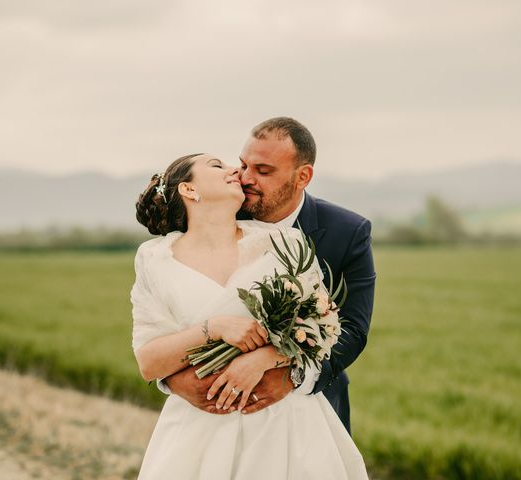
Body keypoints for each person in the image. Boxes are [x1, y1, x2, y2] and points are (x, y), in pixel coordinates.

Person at [131, 153, 369, 479]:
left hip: (284, 423)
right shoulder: (156, 259)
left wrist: (267, 357)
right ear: (188, 190)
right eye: (216, 166)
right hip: (200, 430)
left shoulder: (285, 244)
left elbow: (319, 327)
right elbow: (149, 362)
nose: (235, 171)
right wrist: (212, 329)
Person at [161, 117, 376, 433]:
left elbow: (353, 330)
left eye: (263, 171)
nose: (245, 178)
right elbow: (168, 314)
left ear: (302, 176)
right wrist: (176, 380)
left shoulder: (348, 232)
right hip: (213, 416)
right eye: (243, 164)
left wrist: (290, 375)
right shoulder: (217, 212)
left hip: (310, 416)